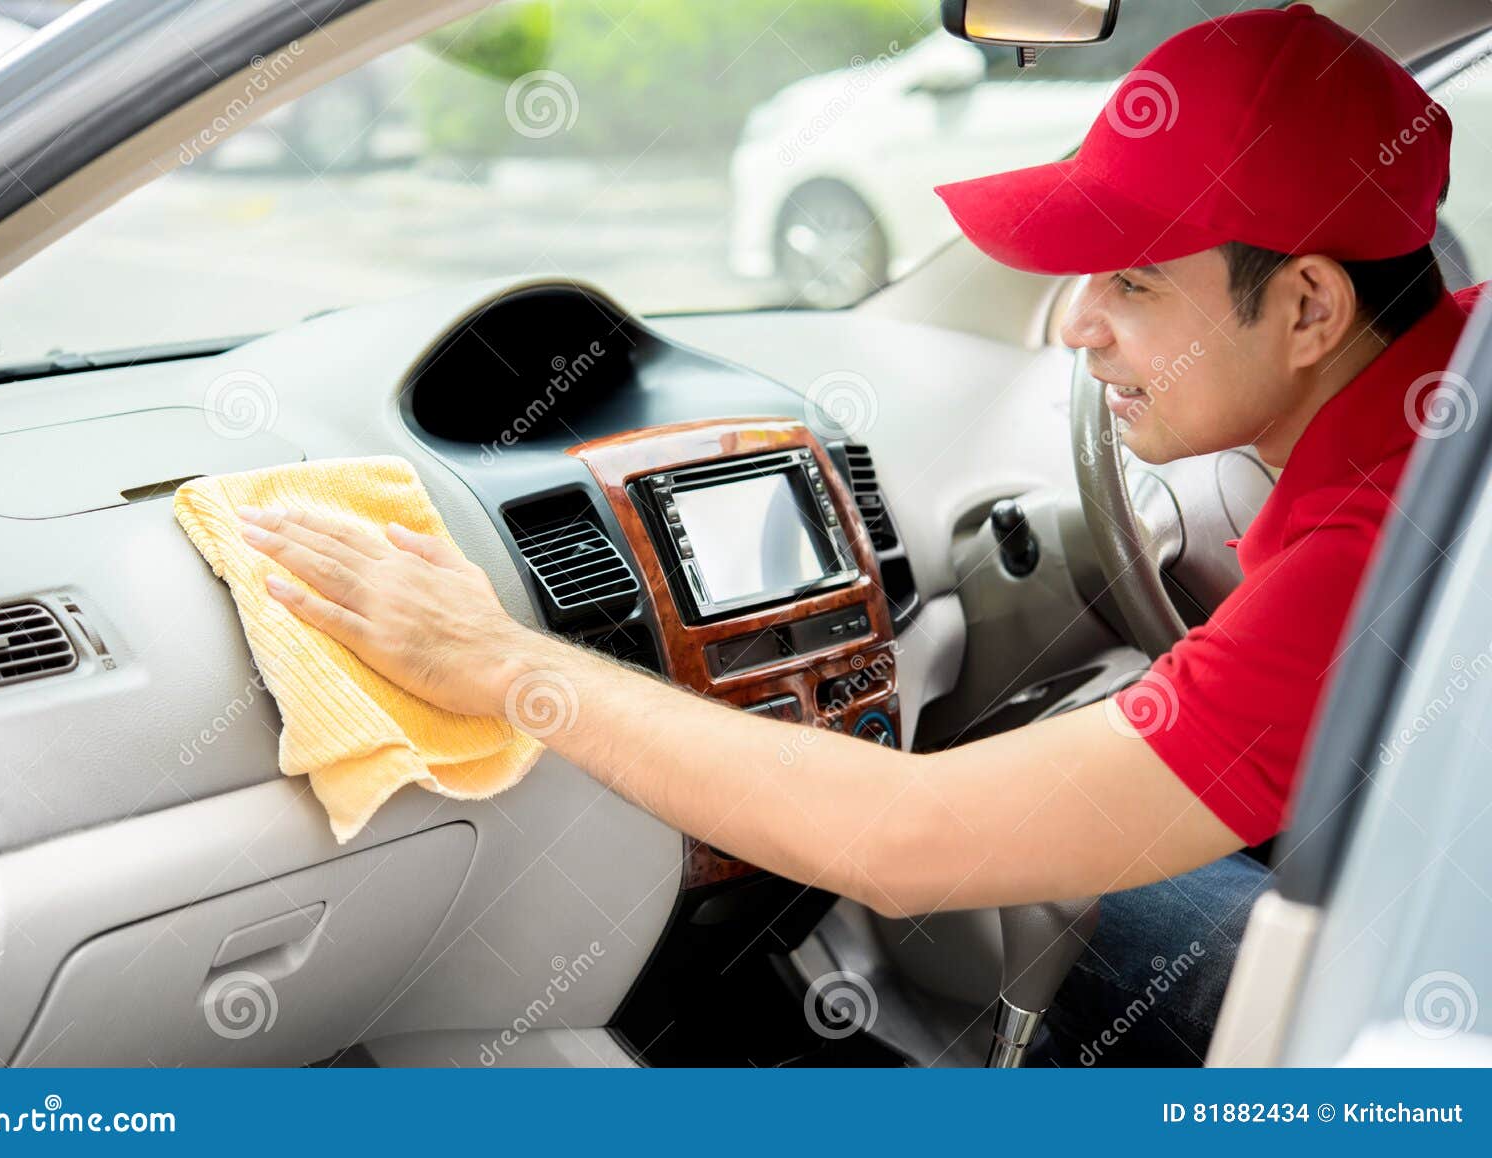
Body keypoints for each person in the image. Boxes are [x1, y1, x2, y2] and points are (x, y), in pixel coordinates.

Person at [232, 5, 1479, 1065]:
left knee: (1120, 904)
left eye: (1134, 283)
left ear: (1310, 305)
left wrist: (505, 663)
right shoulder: (1450, 402)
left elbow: (903, 844)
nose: (1076, 329)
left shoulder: (1372, 556)